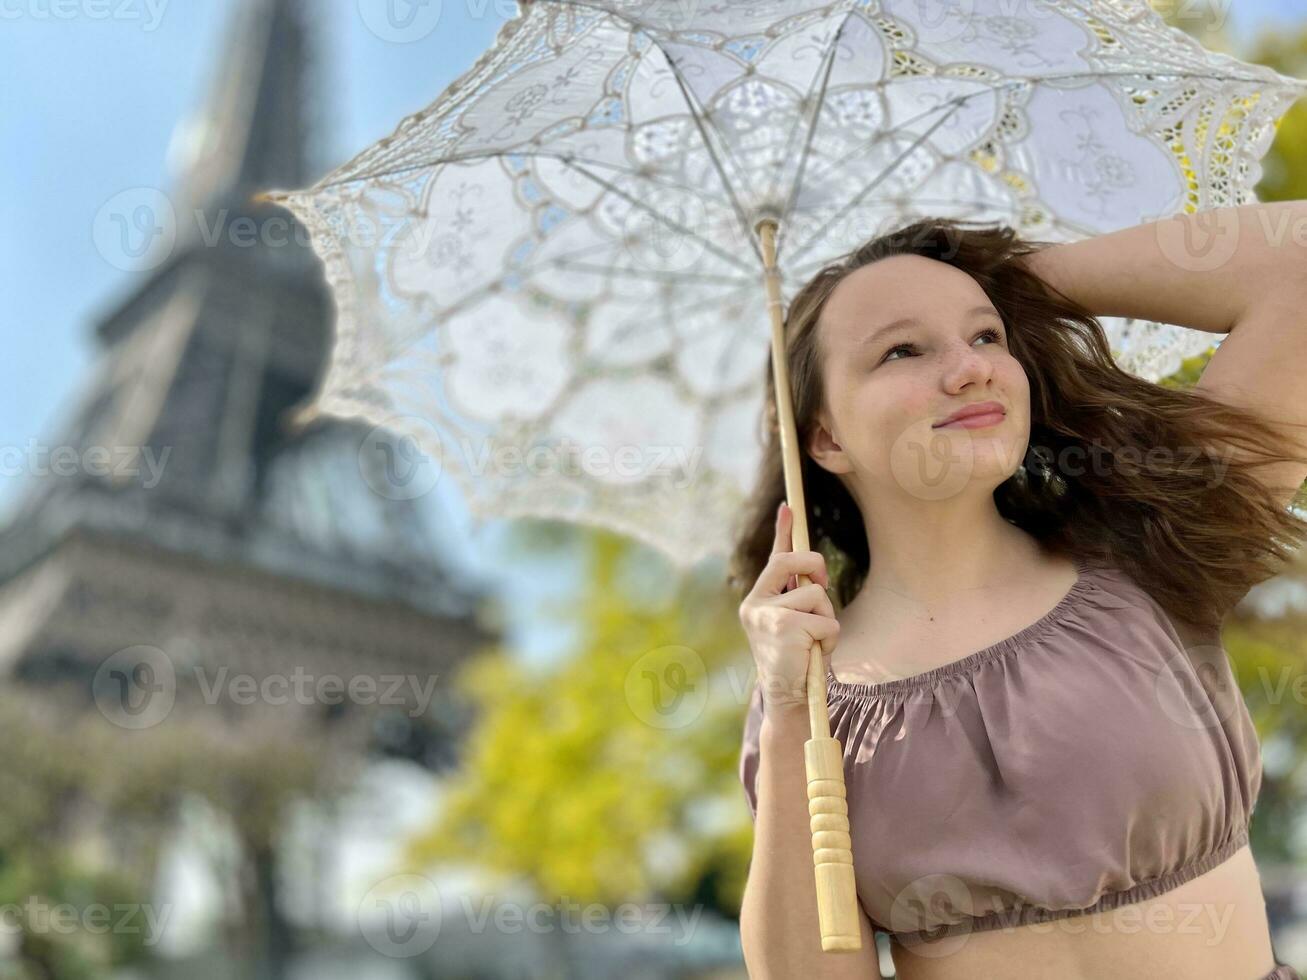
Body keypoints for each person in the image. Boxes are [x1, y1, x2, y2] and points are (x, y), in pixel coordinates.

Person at [729, 208, 1307, 980]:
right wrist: (789, 714)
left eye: (986, 337)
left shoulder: (1146, 556)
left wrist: (1006, 284)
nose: (970, 368)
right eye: (902, 349)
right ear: (825, 437)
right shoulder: (804, 688)